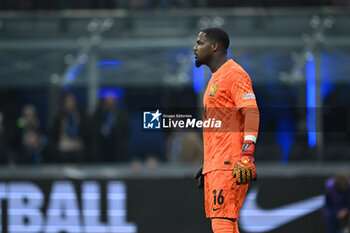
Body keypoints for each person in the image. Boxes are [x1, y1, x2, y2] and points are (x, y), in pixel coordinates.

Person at [193, 28, 260, 233]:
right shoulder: (216, 78)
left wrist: (247, 151)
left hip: (229, 164)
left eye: (200, 43)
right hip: (217, 165)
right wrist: (209, 163)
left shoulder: (235, 74)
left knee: (222, 222)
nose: (195, 48)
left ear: (214, 46)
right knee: (226, 223)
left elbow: (251, 112)